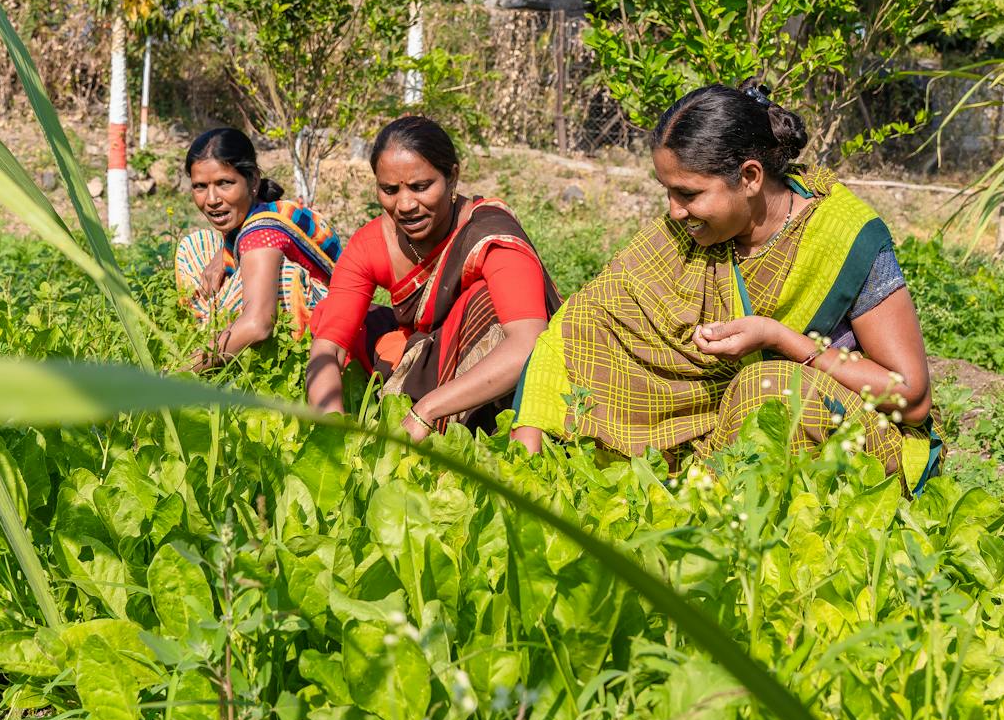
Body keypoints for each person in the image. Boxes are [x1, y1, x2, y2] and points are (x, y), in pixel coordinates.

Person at [513, 83, 938, 485]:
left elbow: (912, 399)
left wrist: (782, 339)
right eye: (667, 192)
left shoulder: (843, 238)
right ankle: (696, 491)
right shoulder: (681, 236)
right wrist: (525, 458)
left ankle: (721, 511)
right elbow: (581, 325)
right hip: (718, 449)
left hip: (852, 442)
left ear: (751, 177)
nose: (675, 211)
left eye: (689, 194)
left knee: (766, 390)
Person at [305, 115, 559, 441]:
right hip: (423, 357)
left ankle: (491, 436)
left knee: (483, 301)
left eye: (421, 187)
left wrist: (427, 410)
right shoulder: (371, 244)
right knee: (333, 315)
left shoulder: (489, 235)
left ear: (452, 177)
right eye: (390, 190)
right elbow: (328, 348)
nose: (406, 204)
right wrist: (331, 430)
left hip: (489, 382)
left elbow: (528, 343)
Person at [174, 127, 342, 364]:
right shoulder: (260, 212)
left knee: (283, 277)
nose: (211, 200)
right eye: (200, 186)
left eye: (224, 183)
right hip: (245, 300)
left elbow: (258, 324)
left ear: (252, 180)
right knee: (195, 243)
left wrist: (181, 370)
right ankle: (212, 333)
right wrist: (223, 254)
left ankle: (213, 351)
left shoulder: (261, 233)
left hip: (324, 329)